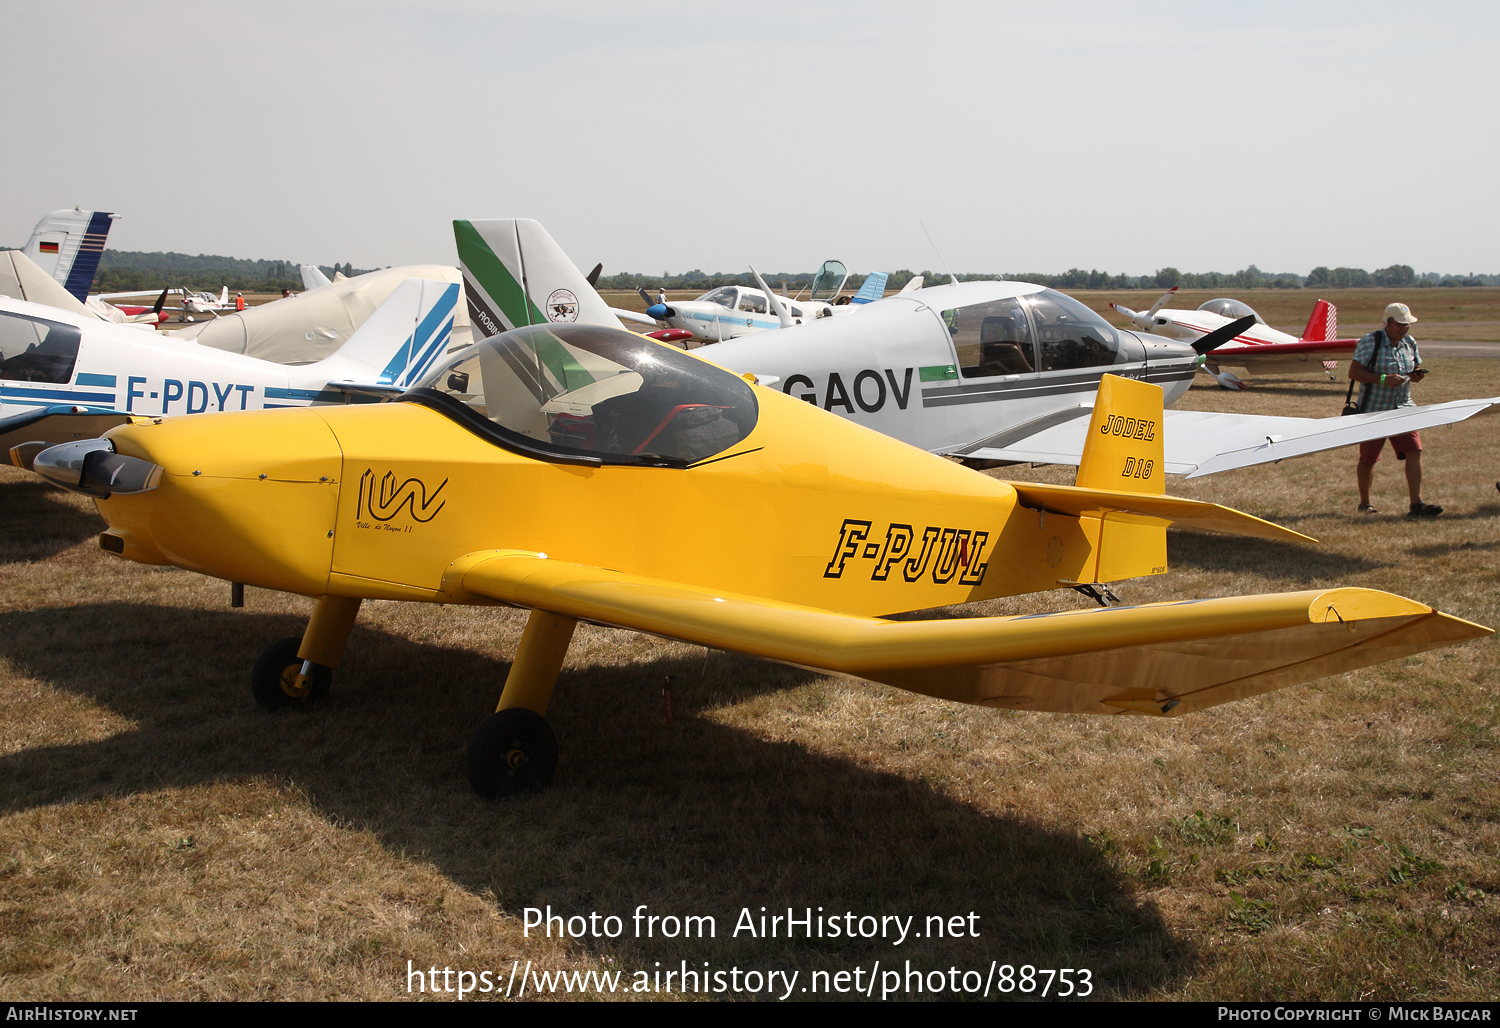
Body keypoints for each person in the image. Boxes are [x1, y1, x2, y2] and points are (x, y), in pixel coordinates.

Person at [1349, 302, 1439, 516]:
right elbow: (1354, 372)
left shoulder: (1409, 343)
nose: (1404, 328)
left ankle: (1416, 503)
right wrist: (1383, 379)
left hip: (1403, 407)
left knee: (1414, 451)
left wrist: (1416, 375)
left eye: (1407, 324)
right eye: (1400, 324)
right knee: (1369, 459)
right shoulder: (1370, 341)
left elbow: (1414, 368)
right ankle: (1365, 503)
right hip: (1374, 410)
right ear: (1387, 322)